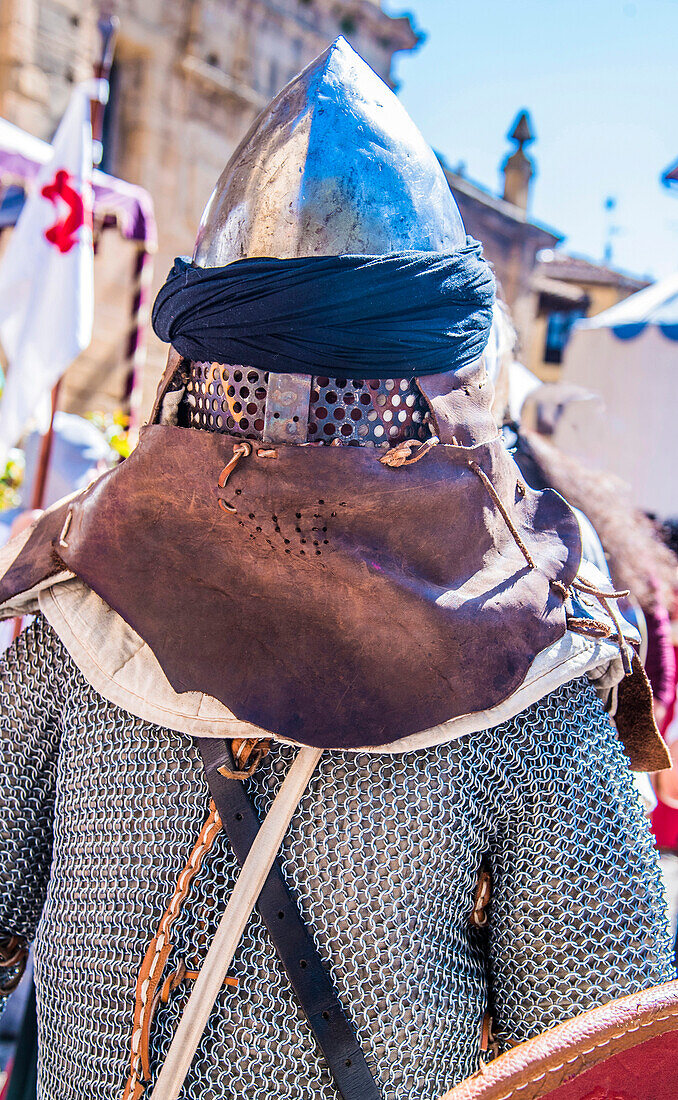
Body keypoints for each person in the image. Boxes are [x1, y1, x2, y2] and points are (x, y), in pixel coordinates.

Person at [0, 39, 673, 1100]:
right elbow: (601, 1063)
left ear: (197, 365)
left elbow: (601, 1067)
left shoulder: (80, 610)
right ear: (441, 385)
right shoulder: (531, 672)